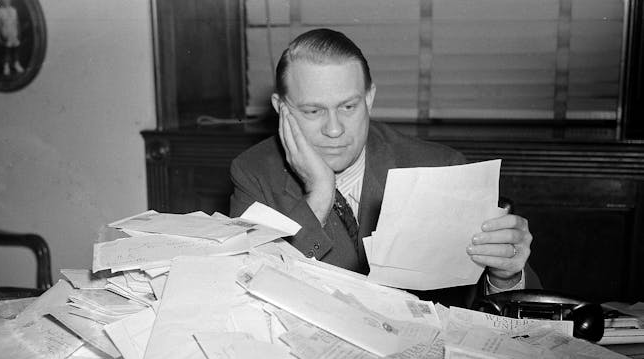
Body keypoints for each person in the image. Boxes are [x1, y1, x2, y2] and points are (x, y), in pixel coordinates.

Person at [230, 28, 537, 307]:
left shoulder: (440, 168)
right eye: (313, 110)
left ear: (370, 98)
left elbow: (498, 313)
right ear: (281, 108)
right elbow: (243, 293)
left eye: (348, 107)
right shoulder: (254, 174)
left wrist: (505, 276)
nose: (334, 129)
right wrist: (319, 194)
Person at [0, 0, 24, 77]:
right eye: (4, 0)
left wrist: (19, 33)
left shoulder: (14, 10)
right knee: (7, 51)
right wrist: (2, 35)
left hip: (14, 33)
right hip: (6, 33)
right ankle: (6, 66)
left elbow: (17, 22)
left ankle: (16, 63)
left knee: (16, 49)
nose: (6, 1)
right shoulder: (0, 11)